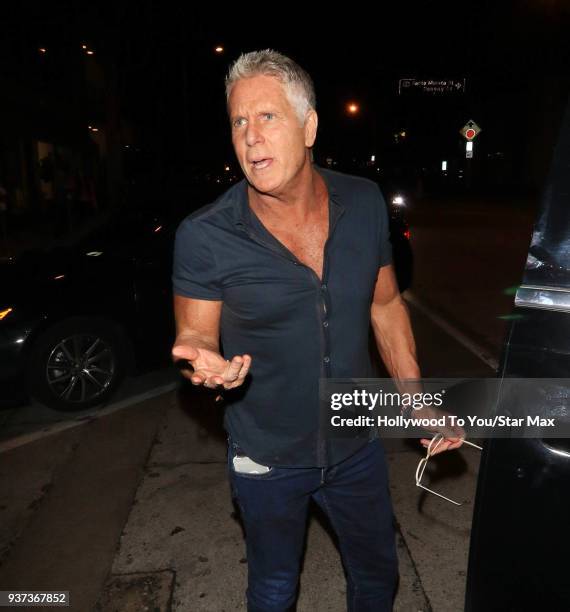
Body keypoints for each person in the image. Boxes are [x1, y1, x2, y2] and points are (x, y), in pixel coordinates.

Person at [172, 49, 463, 612]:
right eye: (238, 122)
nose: (250, 137)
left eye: (267, 117)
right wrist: (203, 358)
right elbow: (197, 334)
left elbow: (385, 306)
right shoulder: (205, 236)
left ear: (308, 127)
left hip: (356, 445)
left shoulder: (364, 201)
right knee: (275, 590)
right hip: (266, 455)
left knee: (378, 578)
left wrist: (414, 399)